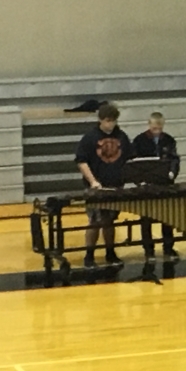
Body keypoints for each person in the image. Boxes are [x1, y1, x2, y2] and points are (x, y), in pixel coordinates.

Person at [74, 103, 133, 268]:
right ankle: (89, 255)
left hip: (115, 186)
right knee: (94, 221)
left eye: (113, 120)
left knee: (109, 221)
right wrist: (93, 181)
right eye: (108, 120)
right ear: (100, 120)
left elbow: (130, 159)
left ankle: (110, 252)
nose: (111, 124)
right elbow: (81, 161)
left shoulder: (122, 136)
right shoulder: (90, 137)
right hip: (96, 187)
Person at [132, 111, 180, 260]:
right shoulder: (139, 140)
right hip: (146, 185)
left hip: (165, 184)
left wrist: (172, 173)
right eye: (154, 129)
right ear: (149, 125)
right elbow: (133, 161)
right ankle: (148, 250)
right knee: (146, 219)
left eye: (159, 129)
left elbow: (174, 159)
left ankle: (168, 248)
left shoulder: (169, 140)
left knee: (167, 218)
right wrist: (139, 180)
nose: (157, 132)